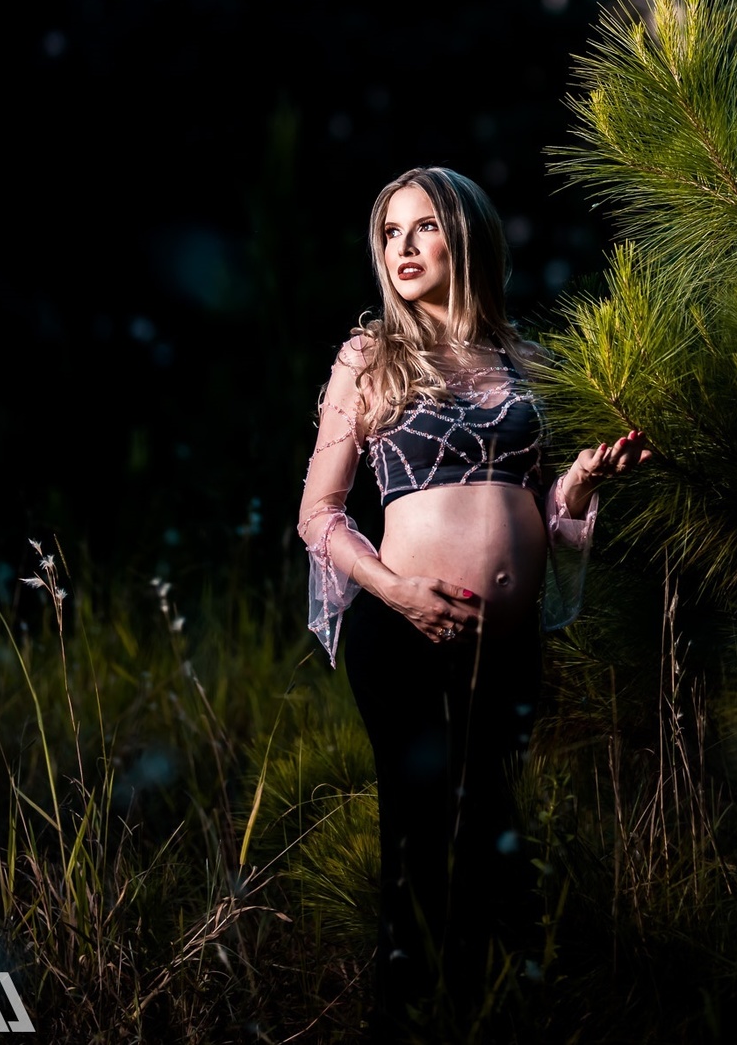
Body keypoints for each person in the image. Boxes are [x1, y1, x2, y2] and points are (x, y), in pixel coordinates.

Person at [296, 166, 651, 1030]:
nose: (403, 248)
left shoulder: (524, 363)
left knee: (493, 825)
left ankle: (504, 1012)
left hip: (511, 639)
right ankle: (410, 1017)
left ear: (468, 236)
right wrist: (395, 590)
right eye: (389, 233)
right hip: (405, 627)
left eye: (423, 228)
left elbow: (547, 517)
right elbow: (319, 514)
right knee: (421, 833)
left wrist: (583, 479)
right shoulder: (369, 359)